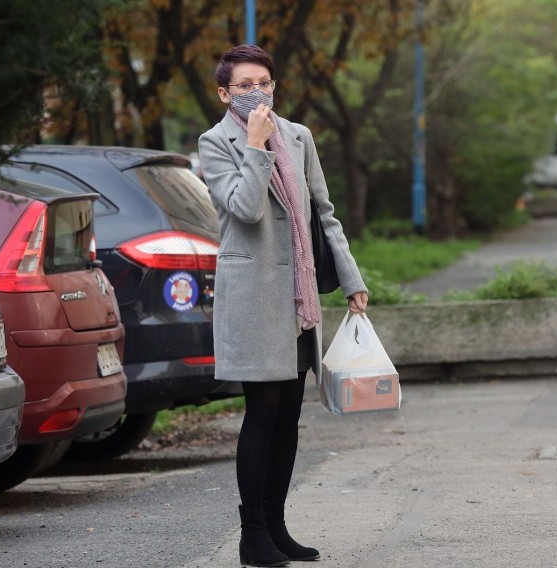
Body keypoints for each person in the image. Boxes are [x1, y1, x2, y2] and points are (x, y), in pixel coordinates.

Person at [198, 45, 368, 567]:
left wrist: (351, 277)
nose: (257, 93)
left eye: (264, 83)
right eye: (244, 85)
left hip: (297, 297)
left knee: (290, 414)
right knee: (263, 411)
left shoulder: (299, 136)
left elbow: (324, 213)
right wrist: (254, 146)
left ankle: (277, 525)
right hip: (252, 299)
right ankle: (253, 536)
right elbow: (245, 210)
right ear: (225, 93)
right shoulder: (215, 142)